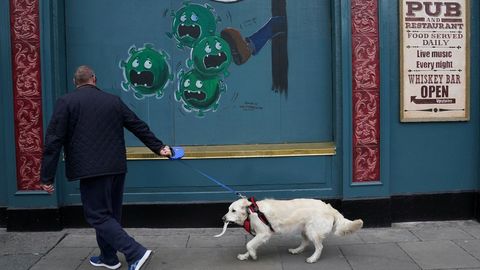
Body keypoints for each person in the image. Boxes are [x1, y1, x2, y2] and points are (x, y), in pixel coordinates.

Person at [40, 65, 171, 270]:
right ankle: (109, 258)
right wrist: (159, 147)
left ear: (76, 83)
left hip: (90, 170)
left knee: (97, 215)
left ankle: (135, 252)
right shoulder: (113, 101)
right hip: (116, 167)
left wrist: (47, 177)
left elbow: (53, 141)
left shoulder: (66, 102)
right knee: (110, 215)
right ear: (94, 78)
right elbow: (137, 125)